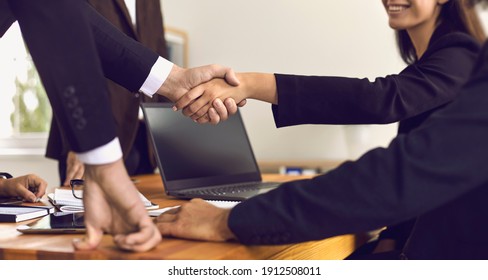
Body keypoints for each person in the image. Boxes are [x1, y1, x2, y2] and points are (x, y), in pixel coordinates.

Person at [170, 0, 484, 257]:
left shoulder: (462, 54)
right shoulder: (441, 61)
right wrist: (392, 237)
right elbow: (422, 171)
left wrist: (252, 84)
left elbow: (384, 100)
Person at [0, 0, 239, 252]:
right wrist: (103, 164)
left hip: (137, 131)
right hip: (102, 129)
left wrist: (173, 81)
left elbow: (63, 13)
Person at [46, 0, 171, 186]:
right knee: (86, 213)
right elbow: (68, 62)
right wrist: (78, 141)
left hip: (145, 139)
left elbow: (158, 51)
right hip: (95, 136)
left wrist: (165, 139)